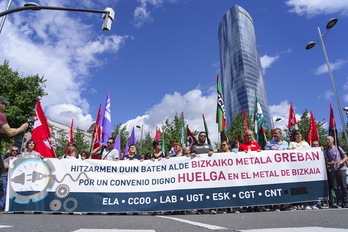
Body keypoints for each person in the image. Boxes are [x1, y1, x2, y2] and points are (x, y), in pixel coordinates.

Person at [265, 128, 290, 212]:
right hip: (274, 168)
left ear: (281, 134)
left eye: (276, 133)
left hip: (284, 168)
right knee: (276, 187)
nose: (274, 135)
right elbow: (266, 155)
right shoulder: (269, 143)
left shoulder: (286, 143)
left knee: (285, 186)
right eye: (274, 133)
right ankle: (277, 205)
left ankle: (285, 205)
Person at [324, 136, 348, 208]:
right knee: (335, 186)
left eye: (329, 140)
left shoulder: (338, 148)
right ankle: (339, 201)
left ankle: (346, 201)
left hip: (341, 169)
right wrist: (330, 163)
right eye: (326, 140)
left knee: (343, 185)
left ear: (333, 140)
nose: (327, 141)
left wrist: (341, 162)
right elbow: (326, 161)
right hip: (333, 170)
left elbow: (346, 157)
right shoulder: (327, 151)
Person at [0, 146, 19, 210]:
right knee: (5, 192)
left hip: (16, 178)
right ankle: (1, 205)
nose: (14, 152)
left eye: (16, 151)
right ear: (11, 151)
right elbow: (5, 165)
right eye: (13, 150)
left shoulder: (19, 158)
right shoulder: (8, 159)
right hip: (6, 176)